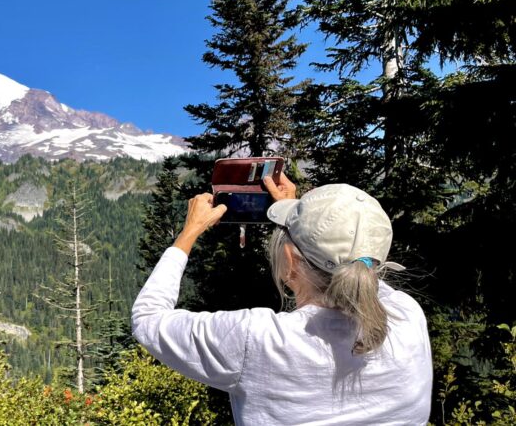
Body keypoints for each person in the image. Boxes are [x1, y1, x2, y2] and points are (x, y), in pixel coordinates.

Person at [131, 173, 432, 425]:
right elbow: (359, 270)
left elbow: (148, 319)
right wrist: (298, 218)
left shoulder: (258, 339)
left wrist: (190, 231)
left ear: (290, 261)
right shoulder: (407, 315)